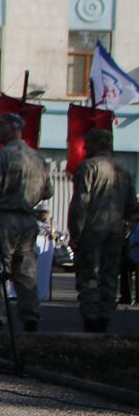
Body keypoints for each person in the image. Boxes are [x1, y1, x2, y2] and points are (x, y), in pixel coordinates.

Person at [0, 112, 52, 332]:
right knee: (26, 270)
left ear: (13, 128)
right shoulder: (37, 158)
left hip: (4, 218)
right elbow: (48, 191)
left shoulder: (1, 157)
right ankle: (30, 315)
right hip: (28, 220)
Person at [68, 128, 137, 333]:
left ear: (98, 143)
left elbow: (80, 203)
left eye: (88, 143)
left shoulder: (89, 167)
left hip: (92, 230)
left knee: (90, 276)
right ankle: (105, 317)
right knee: (109, 276)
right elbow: (132, 206)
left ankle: (91, 319)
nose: (85, 147)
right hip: (115, 232)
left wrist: (75, 233)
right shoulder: (124, 169)